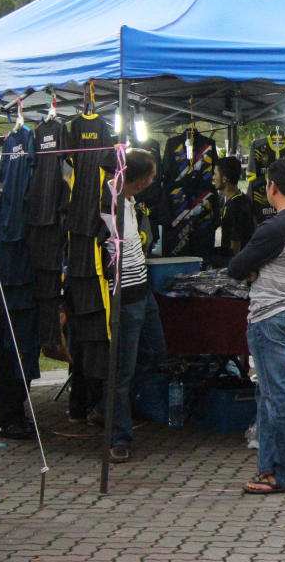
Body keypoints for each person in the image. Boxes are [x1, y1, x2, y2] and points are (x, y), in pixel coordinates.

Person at [227, 158, 285, 494]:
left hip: (272, 317)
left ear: (272, 187)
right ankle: (267, 468)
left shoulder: (277, 226)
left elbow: (237, 267)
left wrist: (256, 268)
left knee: (279, 396)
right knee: (269, 393)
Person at [98, 149, 161, 464]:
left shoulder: (129, 201)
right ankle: (117, 436)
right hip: (123, 295)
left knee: (154, 353)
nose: (151, 183)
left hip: (142, 291)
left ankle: (108, 409)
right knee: (122, 370)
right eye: (148, 178)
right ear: (135, 180)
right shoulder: (106, 204)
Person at [213, 156, 254, 256]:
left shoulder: (236, 206)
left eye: (215, 174)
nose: (213, 177)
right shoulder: (240, 200)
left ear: (224, 178)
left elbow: (235, 247)